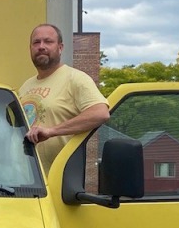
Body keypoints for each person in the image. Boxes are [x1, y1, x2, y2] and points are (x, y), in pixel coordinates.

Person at [18, 23, 110, 172]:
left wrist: (51, 131)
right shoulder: (26, 86)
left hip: (59, 183)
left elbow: (100, 113)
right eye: (36, 42)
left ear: (60, 48)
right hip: (27, 181)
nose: (41, 46)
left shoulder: (76, 79)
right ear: (30, 49)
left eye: (48, 41)